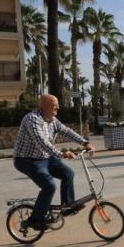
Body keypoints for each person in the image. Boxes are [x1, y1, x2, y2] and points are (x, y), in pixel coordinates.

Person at [13, 95, 95, 230]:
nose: (58, 107)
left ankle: (68, 205)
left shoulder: (52, 120)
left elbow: (67, 131)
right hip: (26, 160)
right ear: (43, 106)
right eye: (54, 104)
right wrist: (61, 154)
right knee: (49, 186)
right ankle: (35, 219)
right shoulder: (32, 119)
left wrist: (86, 143)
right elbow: (41, 142)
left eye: (57, 104)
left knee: (68, 173)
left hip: (45, 157)